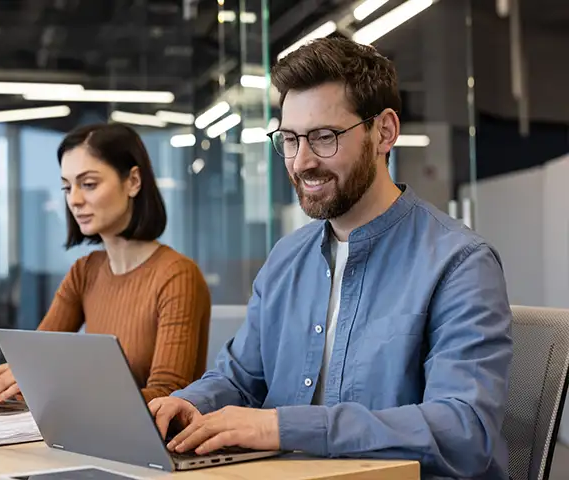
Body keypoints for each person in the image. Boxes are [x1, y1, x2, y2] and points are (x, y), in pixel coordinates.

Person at [149, 37, 512, 479]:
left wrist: (285, 427)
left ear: (384, 132)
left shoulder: (460, 263)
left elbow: (463, 431)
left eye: (323, 137)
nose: (301, 162)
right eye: (289, 139)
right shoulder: (286, 259)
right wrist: (189, 403)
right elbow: (241, 377)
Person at [0, 123, 211, 405]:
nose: (74, 200)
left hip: (153, 443)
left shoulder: (177, 275)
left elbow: (167, 396)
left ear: (133, 181)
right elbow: (35, 358)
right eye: (67, 187)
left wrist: (63, 389)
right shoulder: (85, 271)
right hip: (92, 435)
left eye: (89, 184)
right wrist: (19, 377)